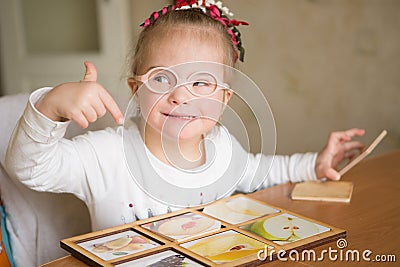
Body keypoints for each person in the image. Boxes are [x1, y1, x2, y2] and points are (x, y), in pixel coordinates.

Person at [5, 0, 364, 231]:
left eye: (201, 82)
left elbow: (263, 170)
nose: (180, 96)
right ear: (135, 90)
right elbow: (29, 169)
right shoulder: (105, 155)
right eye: (161, 78)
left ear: (223, 101)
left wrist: (315, 165)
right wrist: (50, 106)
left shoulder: (222, 147)